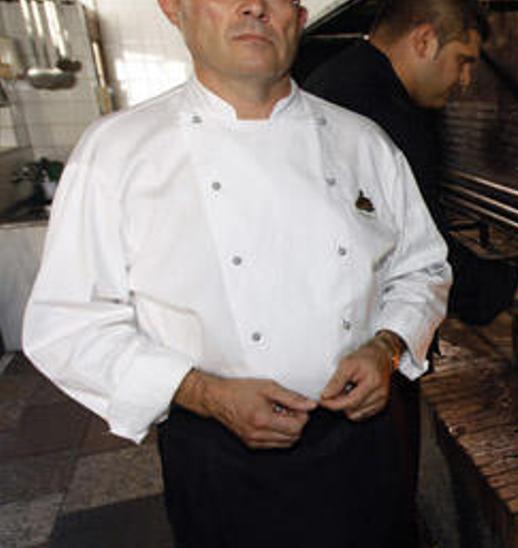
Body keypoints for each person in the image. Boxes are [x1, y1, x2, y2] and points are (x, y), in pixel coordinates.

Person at [21, 0, 452, 545]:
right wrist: (203, 392)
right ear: (174, 10)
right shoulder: (116, 153)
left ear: (297, 17)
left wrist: (386, 346)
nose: (255, 6)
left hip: (364, 447)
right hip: (220, 463)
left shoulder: (363, 142)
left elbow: (422, 268)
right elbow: (67, 322)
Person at [302, 0, 518, 328]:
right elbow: (418, 253)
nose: (465, 79)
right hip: (355, 335)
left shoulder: (343, 78)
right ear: (424, 41)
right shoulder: (384, 114)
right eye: (462, 61)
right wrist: (513, 286)